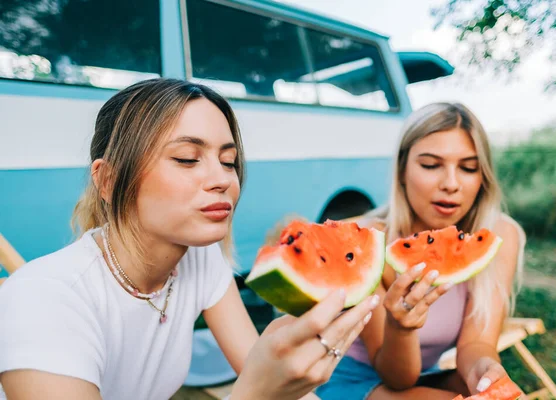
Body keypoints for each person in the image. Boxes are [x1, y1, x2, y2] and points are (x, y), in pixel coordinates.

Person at [0, 78, 379, 400]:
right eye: (186, 158)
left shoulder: (199, 258)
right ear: (109, 181)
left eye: (229, 161)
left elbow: (257, 363)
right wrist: (254, 393)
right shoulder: (43, 298)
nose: (223, 180)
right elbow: (257, 384)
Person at [315, 103, 525, 400]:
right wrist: (400, 328)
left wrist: (485, 369)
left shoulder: (501, 235)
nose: (451, 184)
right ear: (402, 170)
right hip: (351, 381)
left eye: (468, 168)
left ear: (483, 176)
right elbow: (397, 378)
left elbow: (475, 344)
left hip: (426, 376)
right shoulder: (366, 242)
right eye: (430, 165)